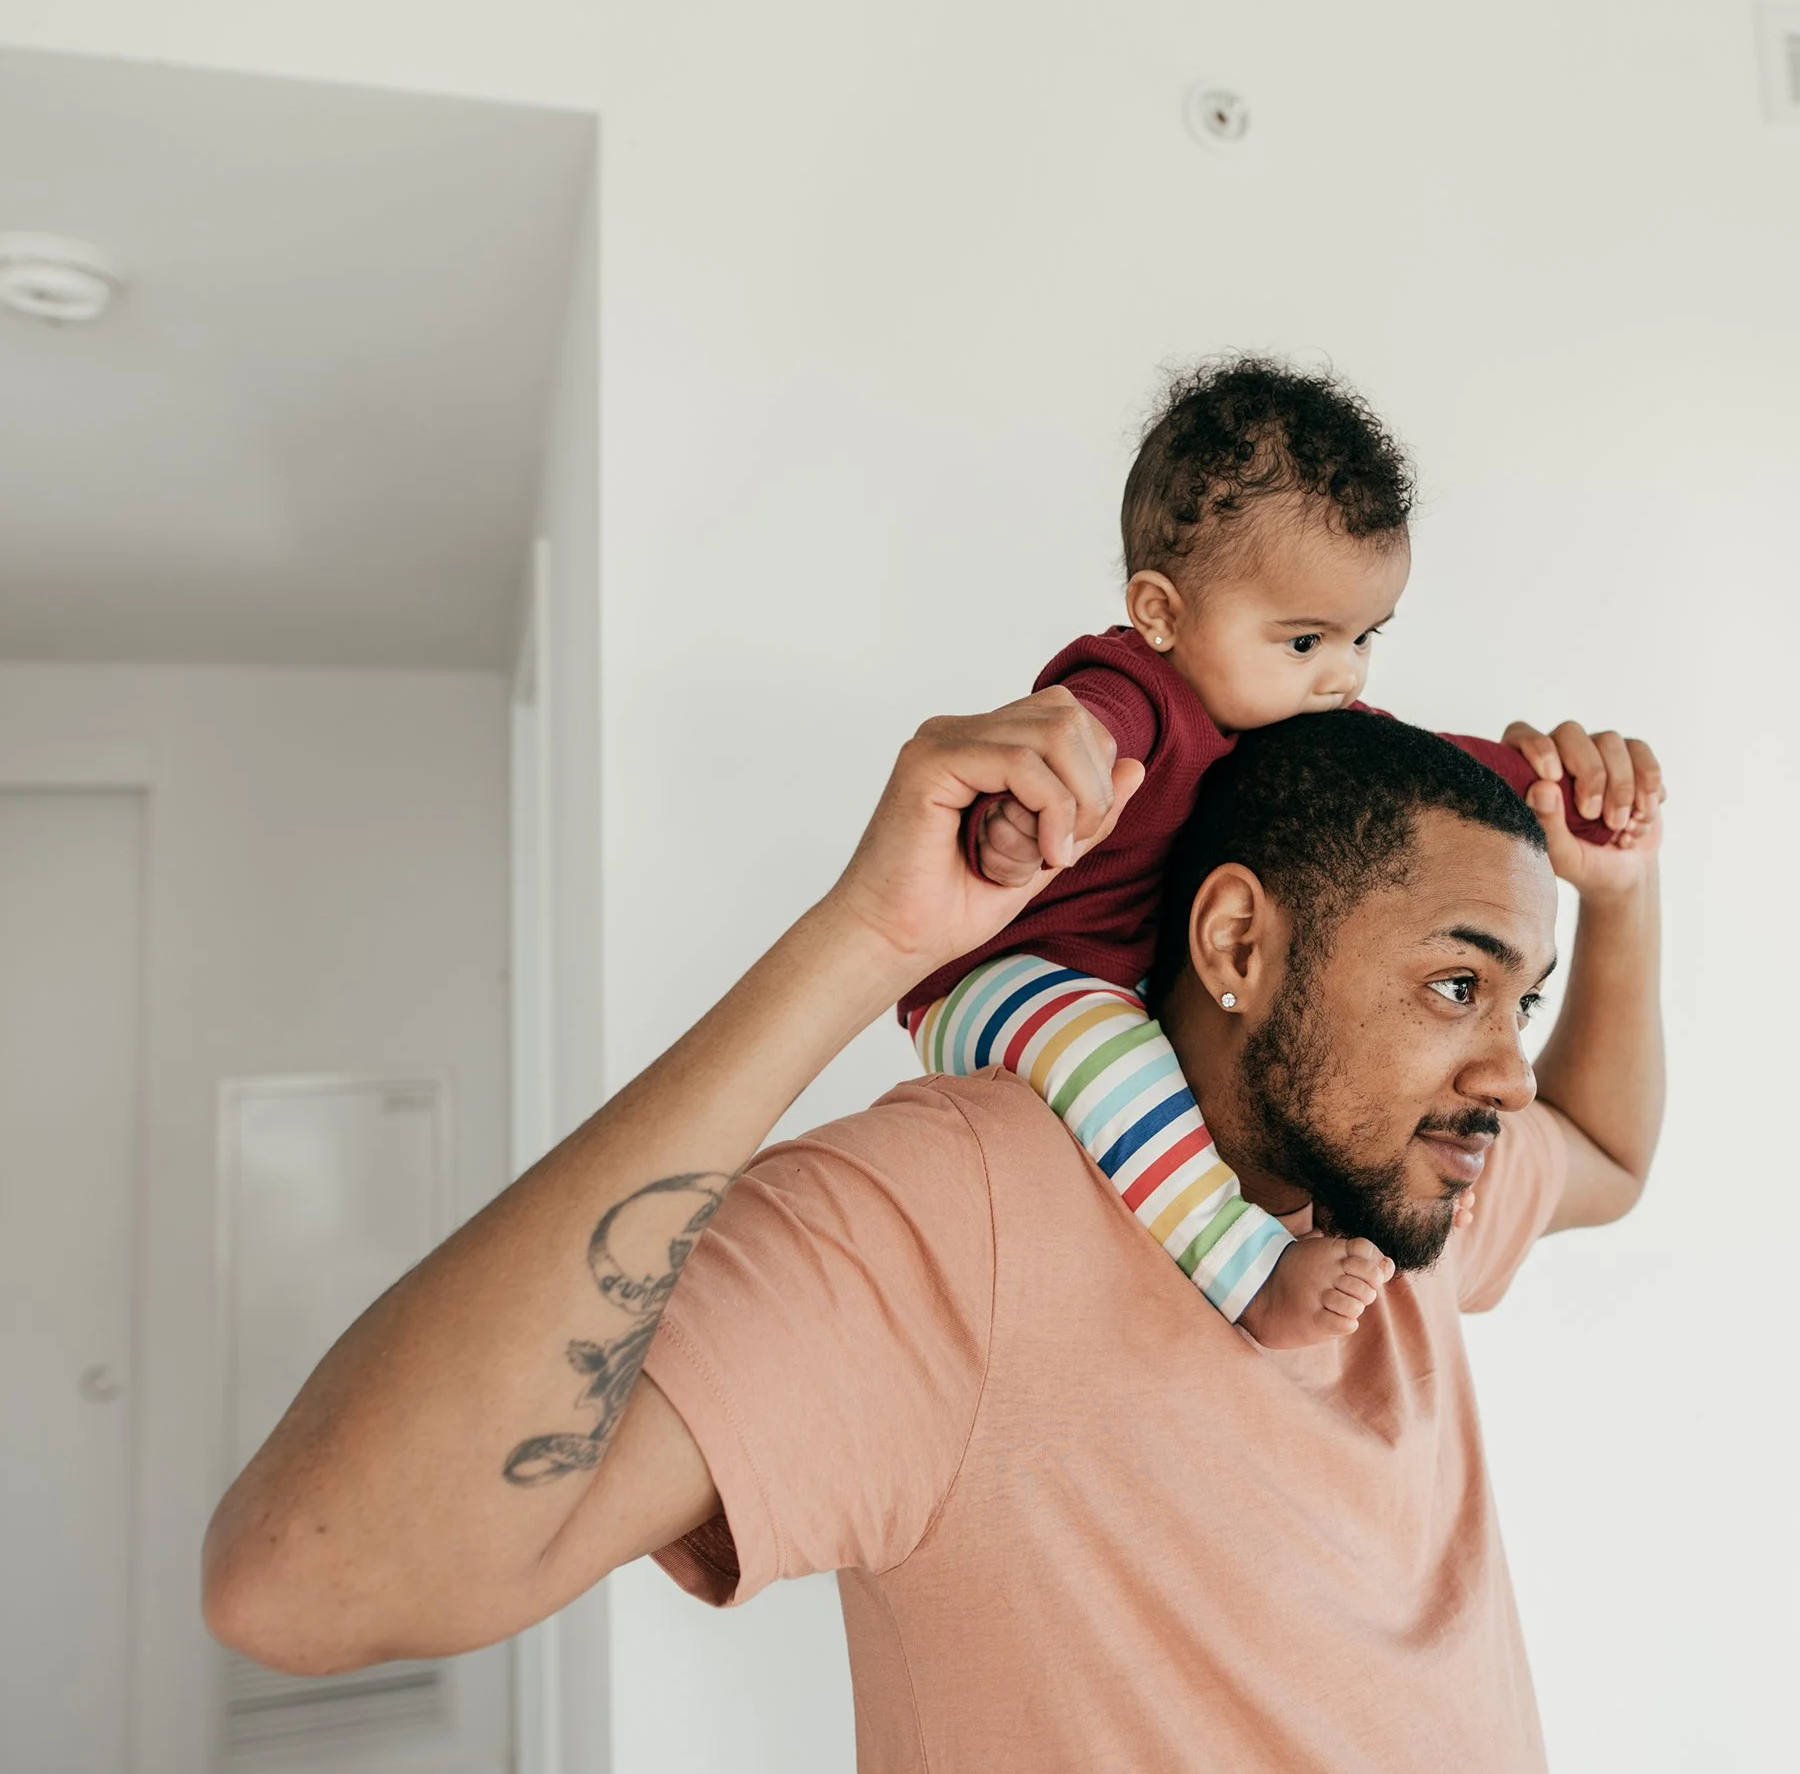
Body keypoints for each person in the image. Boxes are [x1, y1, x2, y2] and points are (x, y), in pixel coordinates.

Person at [203, 692, 1662, 1773]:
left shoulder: (1404, 1202)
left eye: (1519, 1003)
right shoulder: (953, 1212)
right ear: (1234, 946)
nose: (1508, 1076)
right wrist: (868, 942)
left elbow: (1604, 1151)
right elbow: (311, 1577)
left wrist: (1626, 895)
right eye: (1458, 988)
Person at [905, 356, 1657, 1348]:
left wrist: (1562, 811)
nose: (1340, 673)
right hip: (1007, 985)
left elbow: (1607, 1155)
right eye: (1457, 985)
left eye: (1363, 637)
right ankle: (1245, 1268)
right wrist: (1023, 815)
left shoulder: (1393, 1162)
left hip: (1133, 994)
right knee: (1109, 1051)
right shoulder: (1132, 694)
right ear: (1163, 613)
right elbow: (1070, 752)